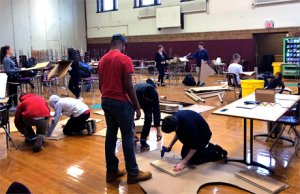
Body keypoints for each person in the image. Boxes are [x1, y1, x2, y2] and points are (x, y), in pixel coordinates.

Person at [98, 33, 152, 184]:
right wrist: (137, 106)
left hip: (106, 101)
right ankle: (133, 173)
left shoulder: (102, 60)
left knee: (111, 136)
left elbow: (101, 85)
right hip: (120, 102)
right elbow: (129, 86)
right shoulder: (124, 59)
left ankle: (112, 172)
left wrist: (108, 98)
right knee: (128, 136)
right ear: (123, 44)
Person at [161, 110, 227, 172]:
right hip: (191, 135)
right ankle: (206, 148)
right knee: (184, 155)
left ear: (176, 127)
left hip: (202, 137)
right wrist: (170, 146)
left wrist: (183, 162)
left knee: (195, 160)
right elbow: (178, 133)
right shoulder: (173, 119)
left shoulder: (189, 126)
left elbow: (195, 145)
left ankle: (215, 150)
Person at [134, 79, 162, 150]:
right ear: (144, 96)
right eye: (148, 99)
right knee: (129, 116)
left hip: (146, 104)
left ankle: (143, 141)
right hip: (135, 99)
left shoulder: (154, 95)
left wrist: (158, 131)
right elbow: (129, 115)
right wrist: (133, 132)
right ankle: (132, 135)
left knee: (149, 118)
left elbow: (156, 112)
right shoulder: (136, 91)